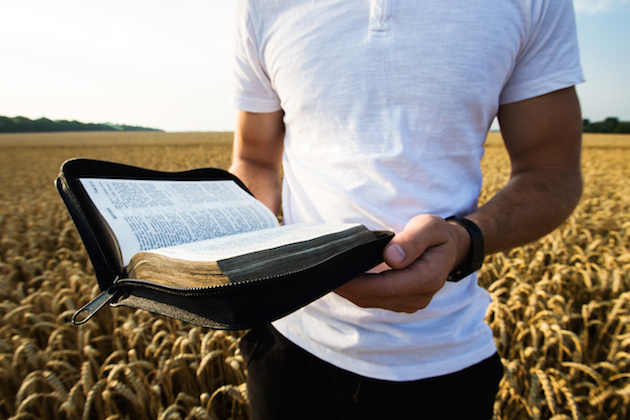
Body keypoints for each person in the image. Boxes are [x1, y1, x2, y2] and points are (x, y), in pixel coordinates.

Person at [228, 1, 584, 418]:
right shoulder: (260, 6)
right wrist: (233, 237)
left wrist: (463, 240)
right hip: (288, 341)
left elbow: (552, 170)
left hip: (442, 363)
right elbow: (254, 159)